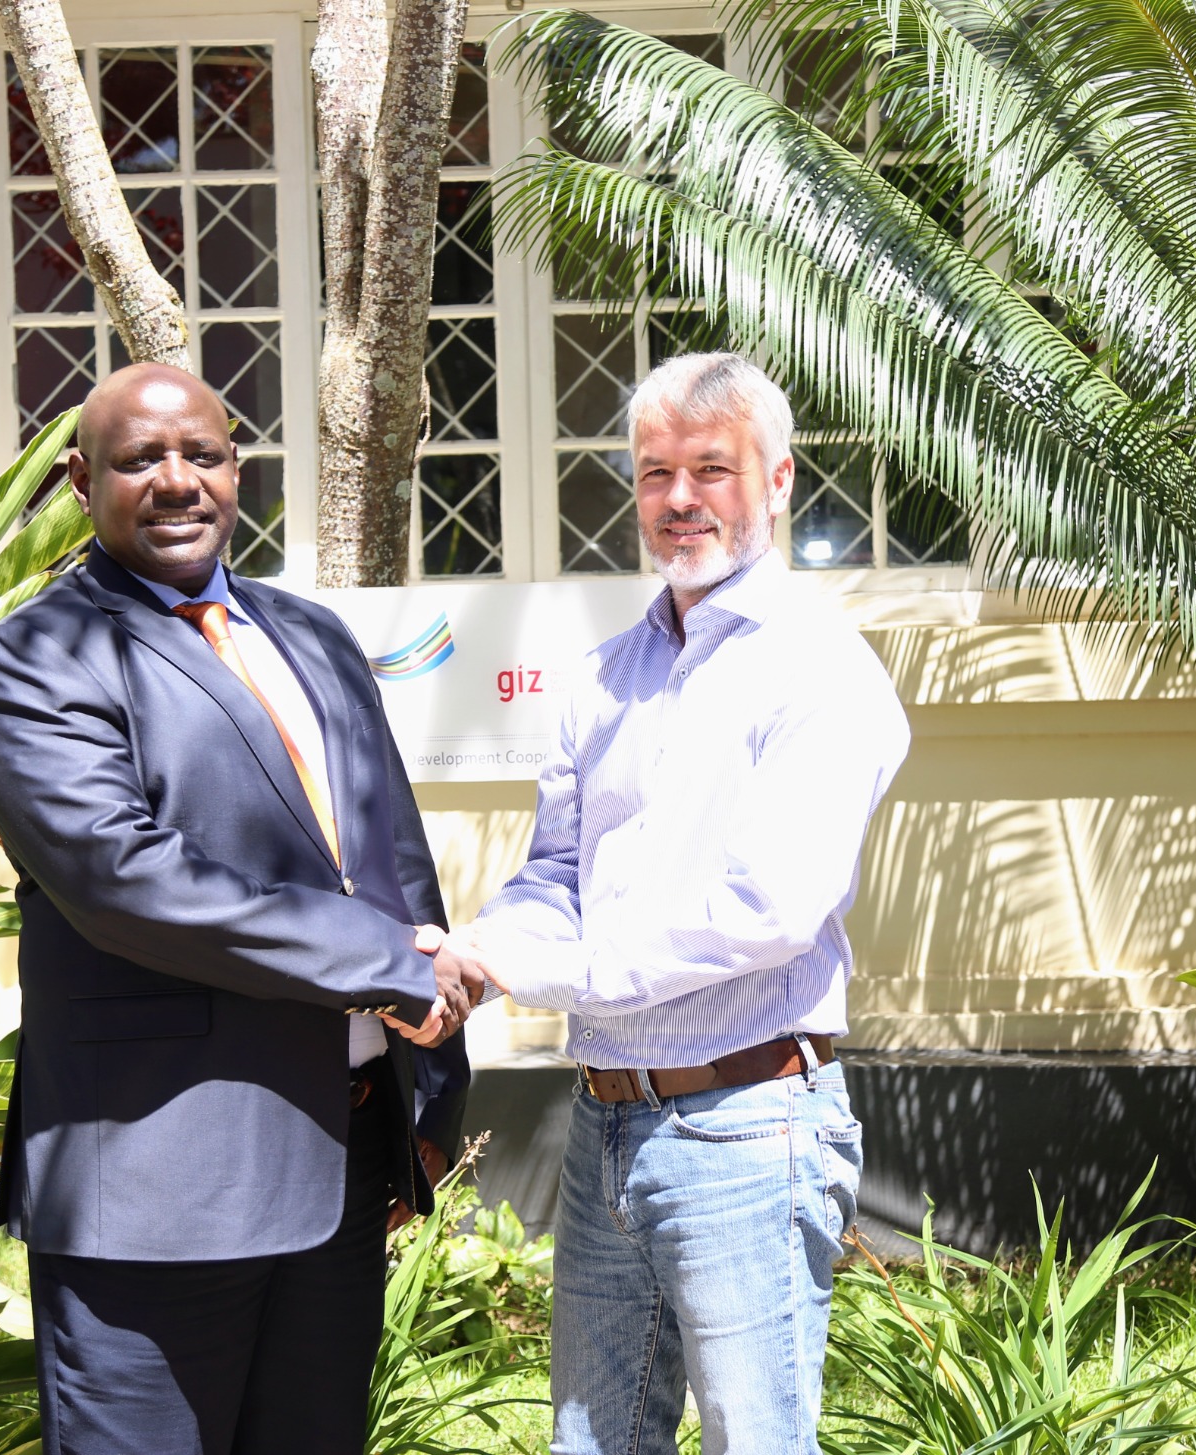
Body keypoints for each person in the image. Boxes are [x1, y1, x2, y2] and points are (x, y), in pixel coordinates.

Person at [0, 363, 475, 1455]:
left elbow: (388, 853)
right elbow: (127, 882)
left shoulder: (313, 635)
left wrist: (427, 1093)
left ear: (237, 469)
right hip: (157, 1181)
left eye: (203, 454)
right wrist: (384, 961)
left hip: (341, 1160)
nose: (177, 480)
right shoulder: (32, 661)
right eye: (140, 459)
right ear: (79, 481)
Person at [446, 353, 911, 1455]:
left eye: (712, 468)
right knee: (594, 1444)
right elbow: (554, 876)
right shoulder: (601, 676)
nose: (679, 498)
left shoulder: (820, 672)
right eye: (655, 472)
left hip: (748, 1124)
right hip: (604, 1125)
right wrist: (477, 955)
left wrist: (536, 970)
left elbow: (768, 910)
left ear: (779, 479)